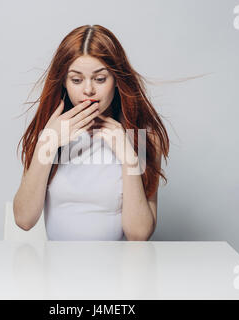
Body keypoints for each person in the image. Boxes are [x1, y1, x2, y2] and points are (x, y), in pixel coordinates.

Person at [13, 25, 169, 241]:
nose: (88, 90)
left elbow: (139, 234)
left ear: (116, 81)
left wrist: (128, 157)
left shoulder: (141, 136)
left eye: (100, 79)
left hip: (117, 271)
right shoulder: (49, 132)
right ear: (64, 83)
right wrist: (47, 144)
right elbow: (24, 219)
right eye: (76, 80)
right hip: (56, 272)